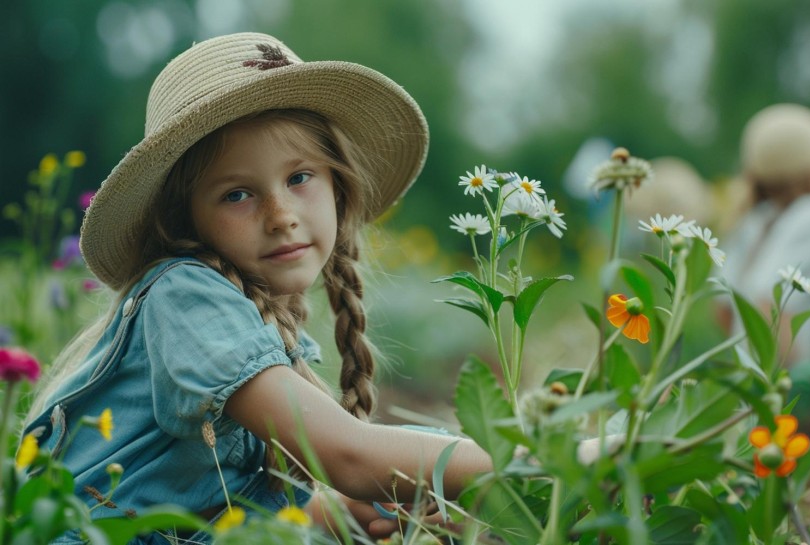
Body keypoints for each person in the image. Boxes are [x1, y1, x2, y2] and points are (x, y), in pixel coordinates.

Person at [22, 32, 492, 544]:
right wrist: (528, 461)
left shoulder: (254, 324)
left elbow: (216, 514)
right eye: (237, 194)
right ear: (184, 219)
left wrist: (342, 515)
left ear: (337, 187)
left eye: (299, 177)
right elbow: (350, 457)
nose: (281, 216)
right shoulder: (185, 297)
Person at [719, 103, 810, 430]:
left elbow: (723, 310)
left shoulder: (753, 222)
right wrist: (799, 391)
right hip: (788, 408)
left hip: (750, 402)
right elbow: (768, 304)